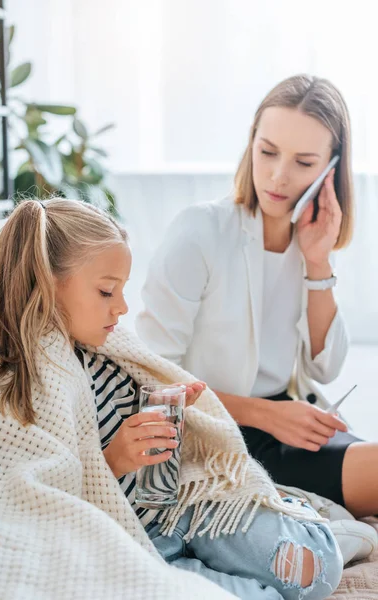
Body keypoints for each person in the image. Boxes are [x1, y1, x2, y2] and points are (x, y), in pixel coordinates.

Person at [0, 198, 343, 600]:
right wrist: (114, 459)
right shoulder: (16, 380)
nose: (121, 307)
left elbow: (134, 407)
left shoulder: (106, 346)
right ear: (48, 282)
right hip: (134, 537)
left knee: (317, 567)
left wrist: (162, 408)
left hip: (185, 503)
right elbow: (39, 503)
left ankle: (306, 518)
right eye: (106, 291)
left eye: (121, 290)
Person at [136, 74, 378, 520]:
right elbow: (151, 381)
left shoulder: (308, 242)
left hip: (283, 420)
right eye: (267, 152)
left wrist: (319, 262)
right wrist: (265, 415)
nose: (278, 176)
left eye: (304, 163)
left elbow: (325, 367)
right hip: (211, 429)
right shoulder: (199, 231)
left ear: (331, 169)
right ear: (251, 144)